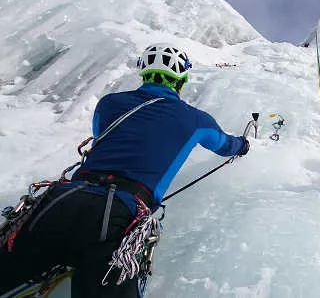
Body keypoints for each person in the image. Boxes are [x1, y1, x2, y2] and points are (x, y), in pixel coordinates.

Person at [0, 43, 250, 297]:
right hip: (121, 214)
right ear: (182, 80)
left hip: (61, 200)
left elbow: (101, 138)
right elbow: (224, 144)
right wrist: (243, 145)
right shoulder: (196, 120)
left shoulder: (110, 103)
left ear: (143, 72)